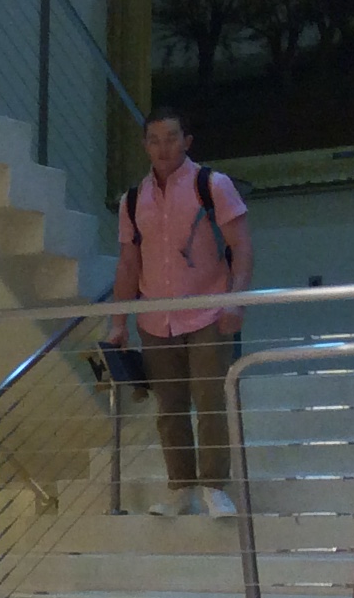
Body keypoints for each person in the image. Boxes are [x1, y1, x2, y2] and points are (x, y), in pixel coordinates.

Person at [107, 105, 253, 519]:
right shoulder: (132, 200)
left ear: (187, 142)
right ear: (144, 146)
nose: (163, 147)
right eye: (154, 140)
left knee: (210, 400)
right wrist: (118, 322)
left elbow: (242, 245)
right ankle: (181, 488)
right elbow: (128, 264)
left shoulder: (213, 185)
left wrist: (236, 299)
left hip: (209, 310)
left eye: (171, 138)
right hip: (156, 318)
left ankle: (214, 487)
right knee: (169, 407)